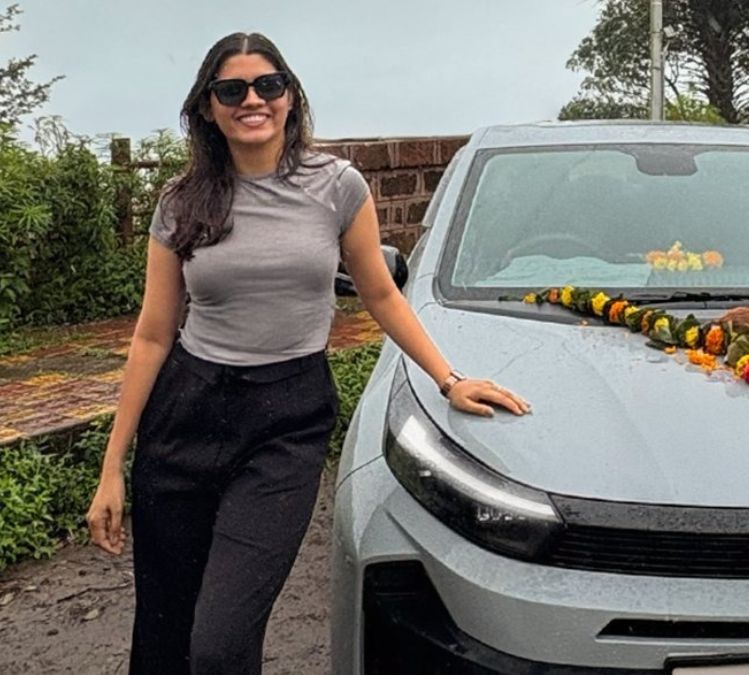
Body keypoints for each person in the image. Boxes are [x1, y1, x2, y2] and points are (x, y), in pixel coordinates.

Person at [84, 31, 530, 674]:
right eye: (231, 90)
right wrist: (111, 466)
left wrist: (448, 379)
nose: (252, 100)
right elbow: (153, 335)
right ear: (208, 106)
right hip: (185, 419)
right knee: (164, 634)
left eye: (268, 85)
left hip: (285, 424)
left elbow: (380, 293)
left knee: (220, 643)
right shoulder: (182, 202)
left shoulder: (336, 187)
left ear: (290, 96)